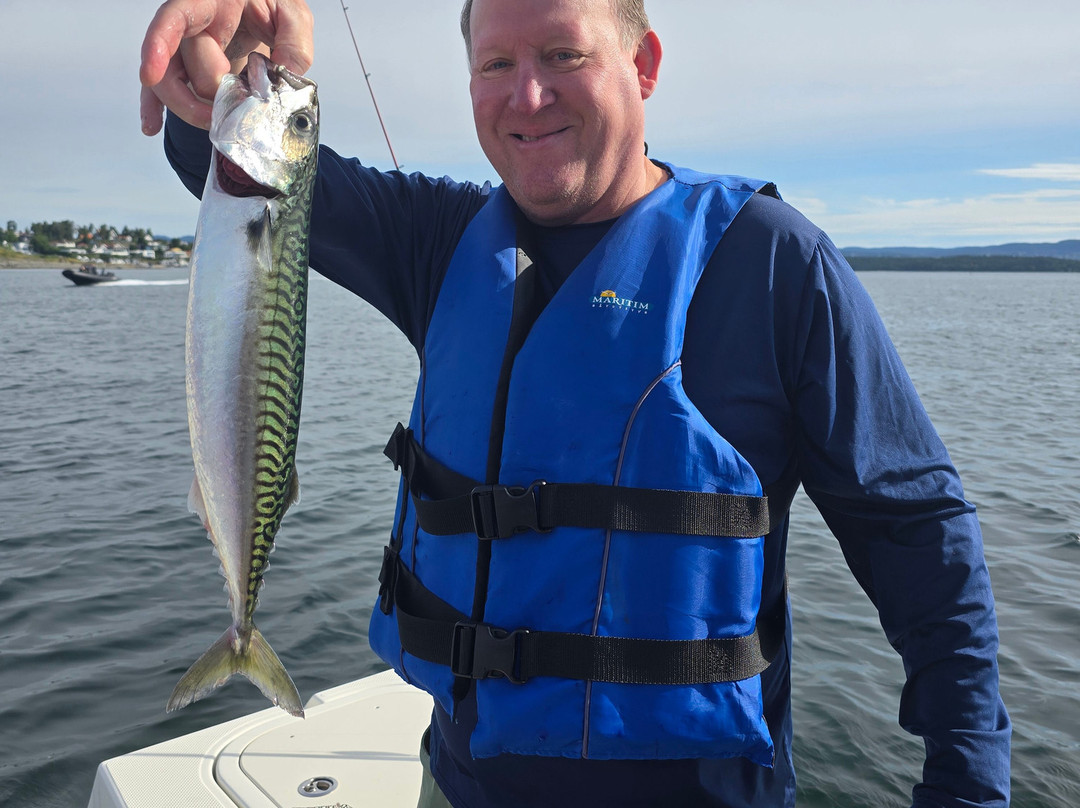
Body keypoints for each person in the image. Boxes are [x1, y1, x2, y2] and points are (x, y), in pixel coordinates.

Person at [140, 1, 1012, 806]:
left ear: (644, 64)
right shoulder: (437, 242)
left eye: (564, 54)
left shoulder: (774, 266)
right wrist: (216, 59)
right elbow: (242, 173)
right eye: (495, 64)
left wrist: (967, 783)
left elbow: (918, 534)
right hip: (459, 785)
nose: (527, 94)